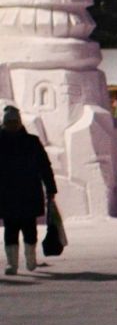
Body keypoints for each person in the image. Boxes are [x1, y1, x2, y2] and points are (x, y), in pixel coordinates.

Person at [0, 105, 56, 275]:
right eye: (9, 122)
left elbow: (44, 166)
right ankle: (12, 263)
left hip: (28, 192)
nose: (11, 125)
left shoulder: (32, 141)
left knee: (29, 228)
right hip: (7, 193)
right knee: (11, 228)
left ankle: (30, 259)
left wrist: (50, 188)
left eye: (14, 121)